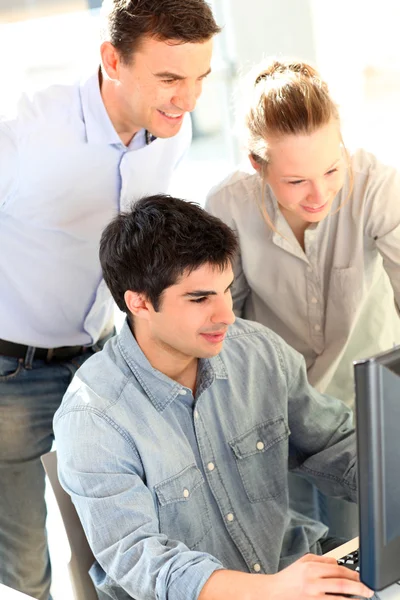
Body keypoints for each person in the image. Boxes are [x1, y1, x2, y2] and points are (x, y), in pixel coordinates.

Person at [0, 2, 220, 598]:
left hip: (100, 362)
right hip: (10, 373)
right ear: (111, 61)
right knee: (22, 570)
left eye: (199, 77)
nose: (188, 99)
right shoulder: (24, 130)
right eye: (170, 79)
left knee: (112, 556)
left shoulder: (171, 132)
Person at [53, 194, 372, 600]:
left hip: (291, 571)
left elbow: (336, 445)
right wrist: (271, 591)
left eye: (226, 290)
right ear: (140, 302)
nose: (226, 315)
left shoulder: (257, 352)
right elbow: (145, 562)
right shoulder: (94, 417)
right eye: (201, 298)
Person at [206, 58, 400, 540]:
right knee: (289, 550)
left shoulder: (376, 185)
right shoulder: (227, 205)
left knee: (363, 554)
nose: (320, 194)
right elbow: (223, 323)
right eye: (295, 181)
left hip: (363, 415)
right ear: (257, 164)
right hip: (274, 413)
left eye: (332, 168)